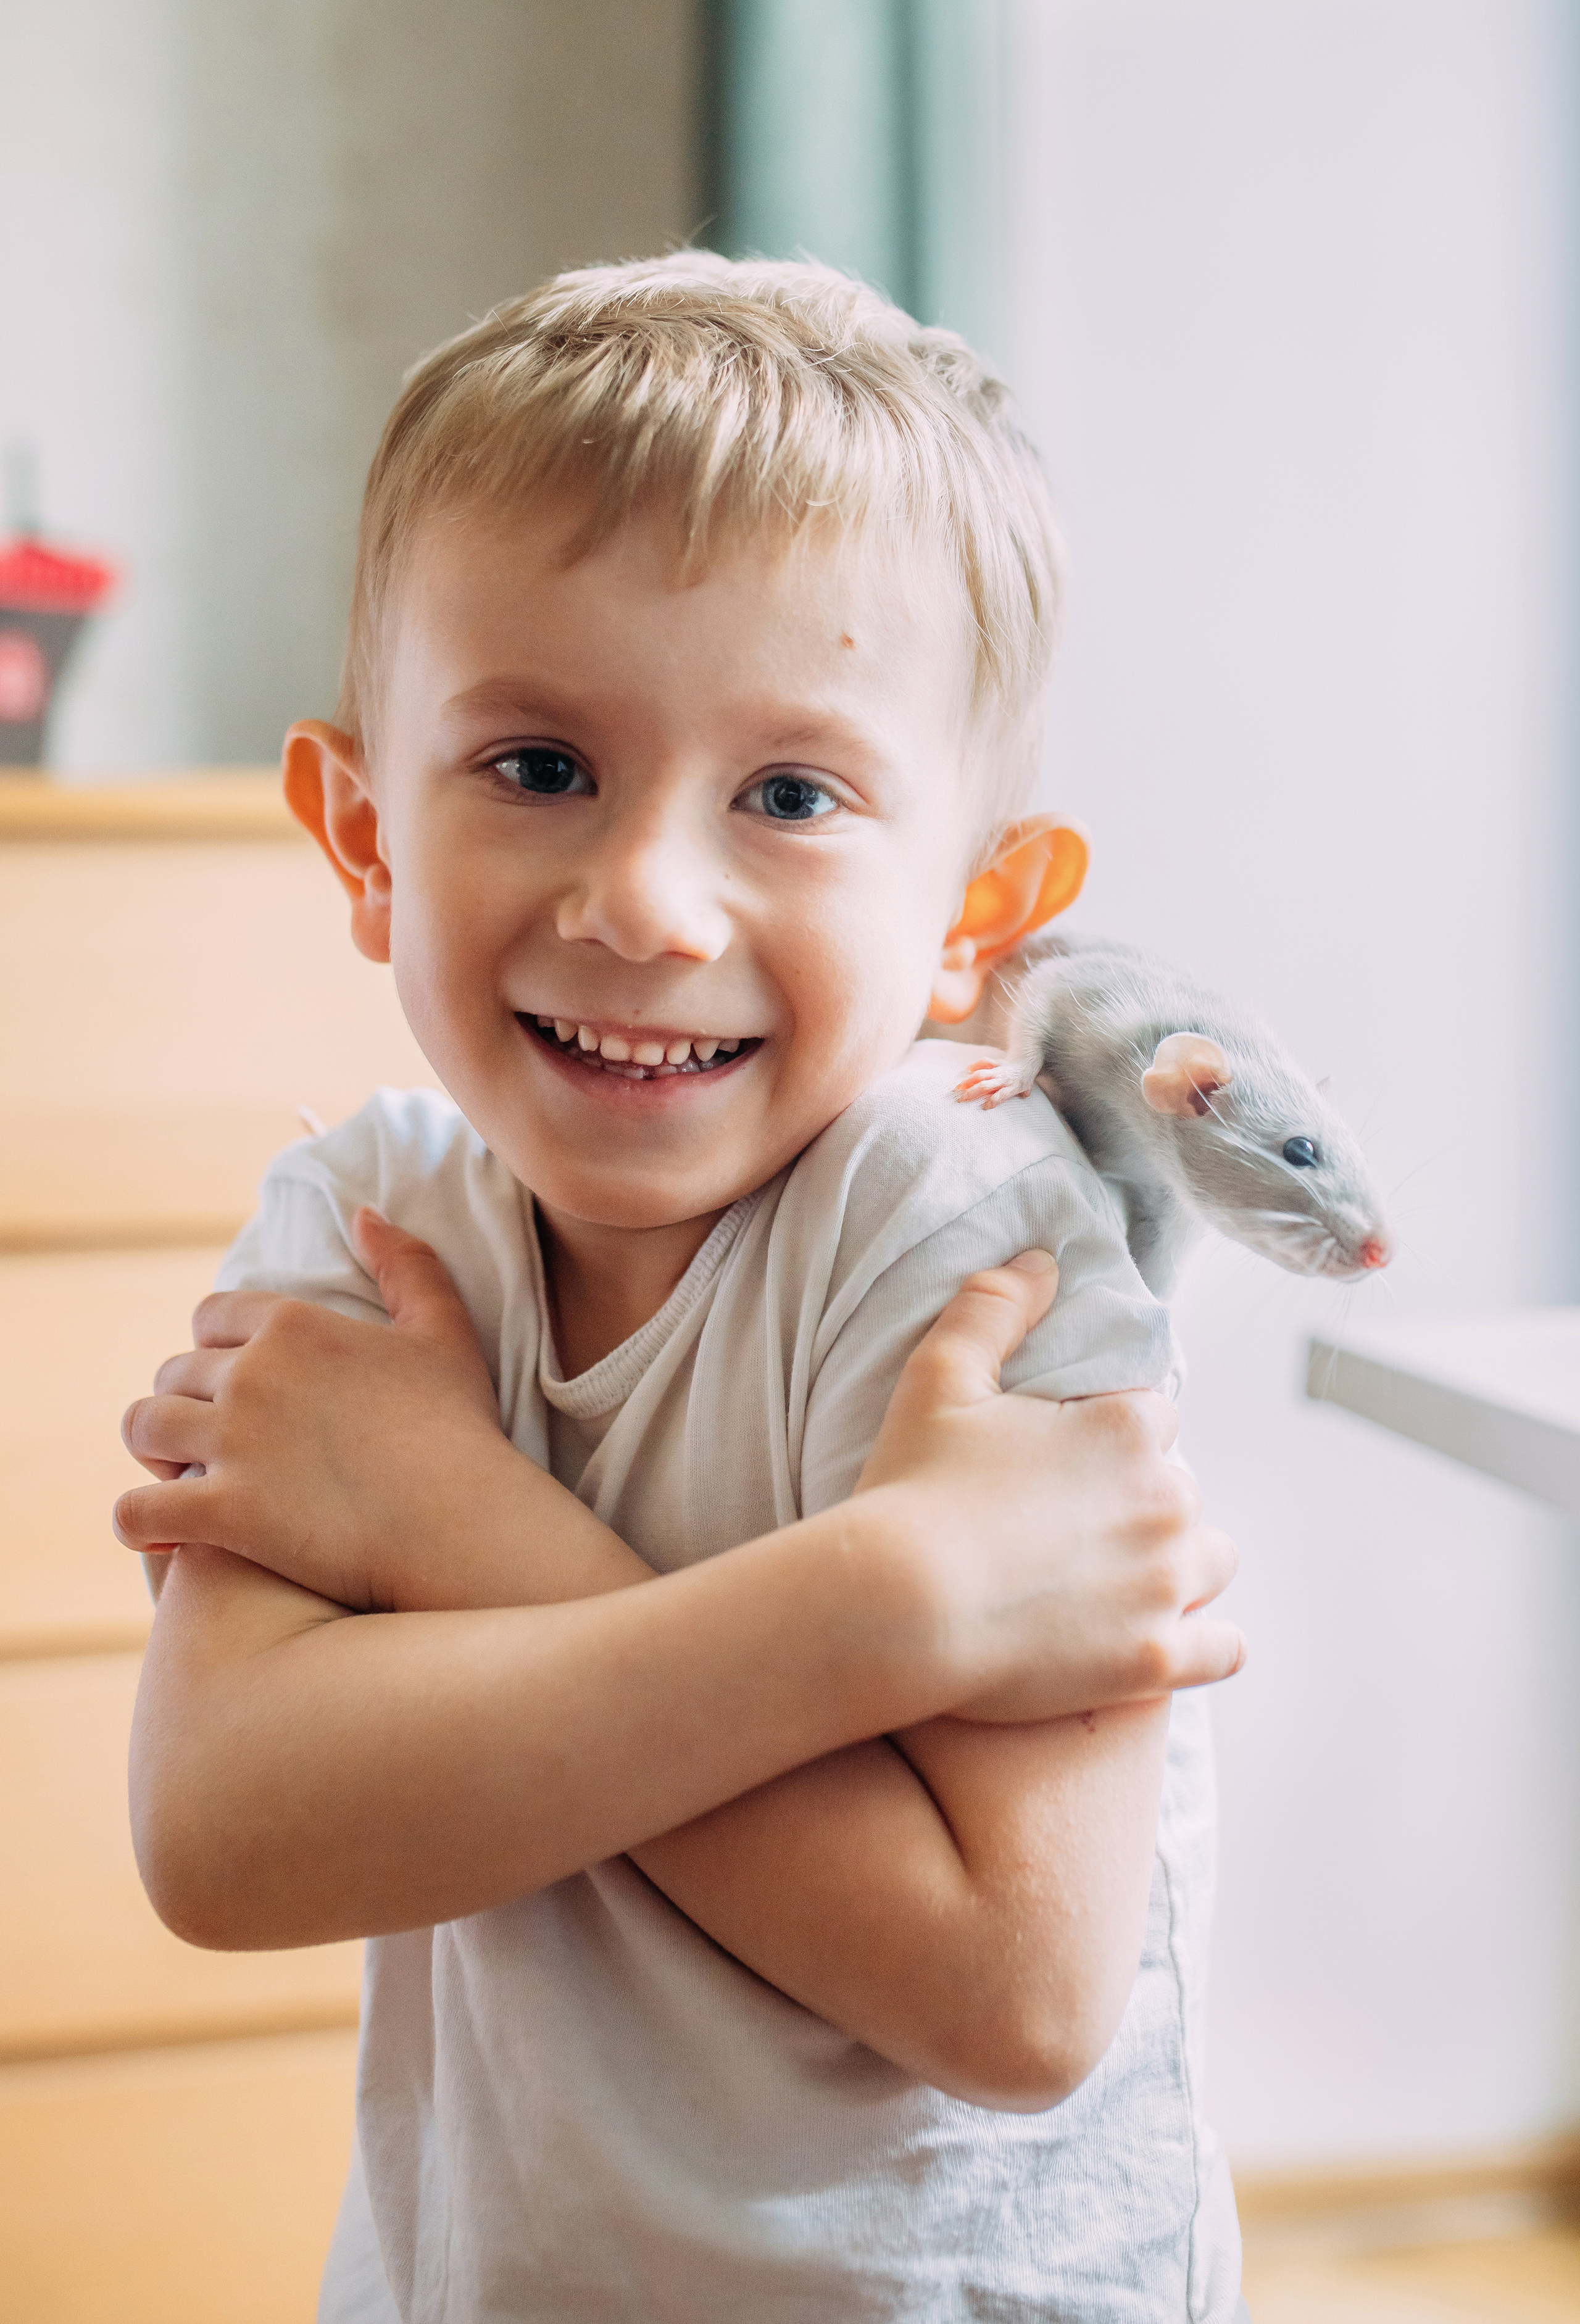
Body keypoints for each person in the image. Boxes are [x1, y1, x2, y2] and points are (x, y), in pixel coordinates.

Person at [117, 254, 1249, 2322]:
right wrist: (884, 1609)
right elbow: (226, 1841)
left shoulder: (976, 1241)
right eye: (538, 764)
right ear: (362, 833)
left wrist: (451, 1529)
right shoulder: (362, 1229)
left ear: (974, 919)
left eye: (793, 797)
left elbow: (1013, 1999)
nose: (644, 898)